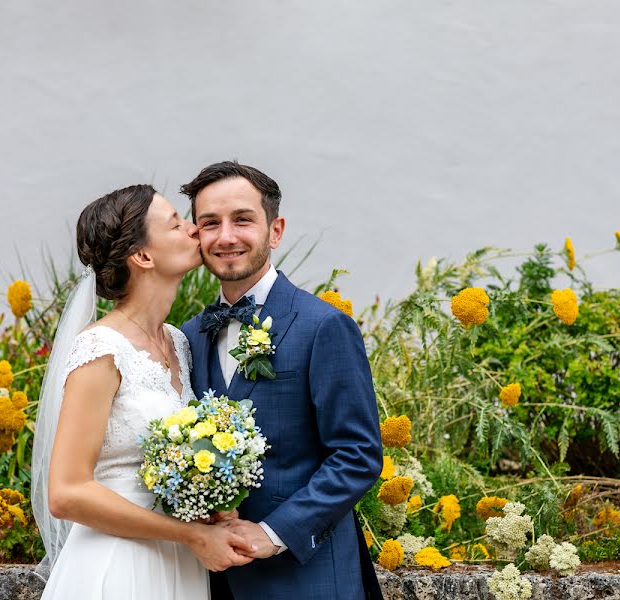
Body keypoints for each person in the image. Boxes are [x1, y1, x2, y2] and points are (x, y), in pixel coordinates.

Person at [31, 184, 254, 599]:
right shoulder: (101, 349)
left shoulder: (180, 343)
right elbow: (65, 493)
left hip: (181, 564)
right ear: (144, 256)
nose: (193, 230)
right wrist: (187, 535)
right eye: (176, 223)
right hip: (117, 562)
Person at [180, 161, 384, 599]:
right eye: (210, 223)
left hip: (305, 578)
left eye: (242, 220)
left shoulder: (323, 326)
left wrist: (273, 532)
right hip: (211, 580)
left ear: (275, 231)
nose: (226, 236)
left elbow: (358, 454)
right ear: (197, 235)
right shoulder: (190, 335)